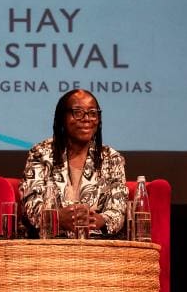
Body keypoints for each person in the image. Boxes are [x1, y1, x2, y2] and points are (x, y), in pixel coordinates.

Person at [20, 89, 128, 237]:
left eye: (93, 113)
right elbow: (31, 206)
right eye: (78, 112)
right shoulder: (41, 154)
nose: (87, 118)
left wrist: (101, 220)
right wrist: (57, 218)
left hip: (97, 244)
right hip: (49, 243)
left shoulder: (111, 158)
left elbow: (118, 211)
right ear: (62, 118)